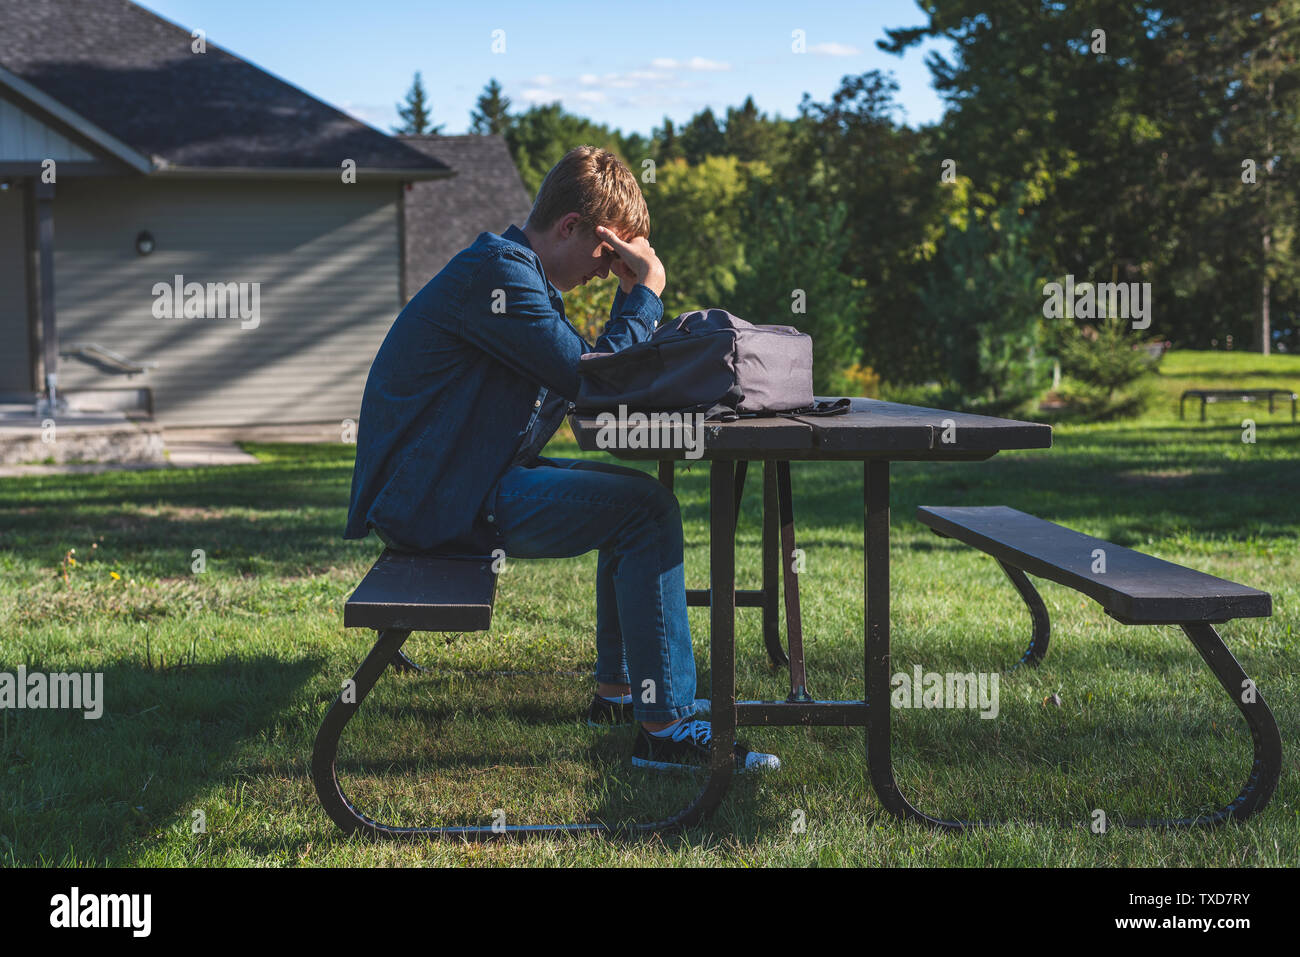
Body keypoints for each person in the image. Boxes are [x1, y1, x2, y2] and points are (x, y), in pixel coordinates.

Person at [345, 145, 778, 772]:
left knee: (626, 501)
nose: (610, 273)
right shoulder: (498, 278)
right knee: (646, 512)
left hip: (455, 481)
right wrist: (645, 295)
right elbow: (596, 381)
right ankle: (664, 729)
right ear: (571, 226)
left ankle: (619, 692)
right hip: (436, 500)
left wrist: (632, 313)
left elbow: (591, 374)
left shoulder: (514, 275)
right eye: (609, 256)